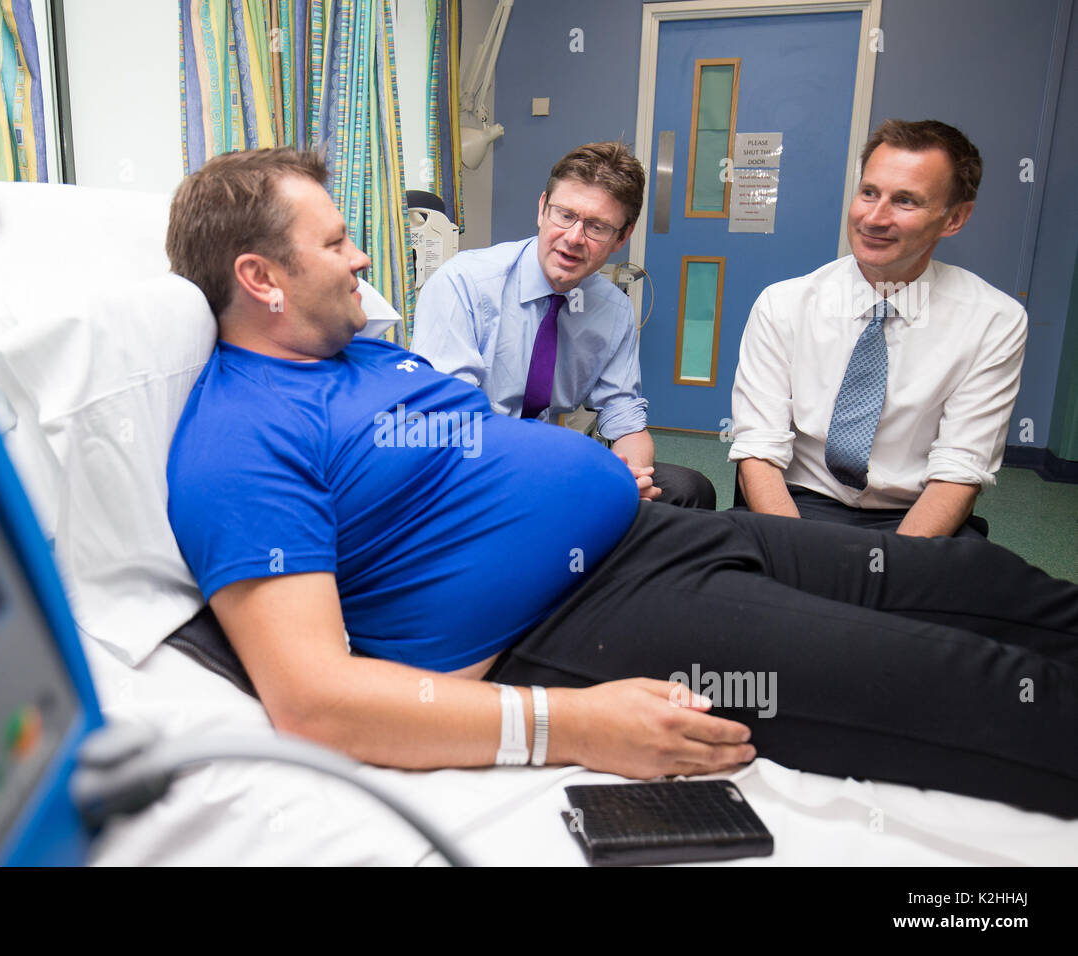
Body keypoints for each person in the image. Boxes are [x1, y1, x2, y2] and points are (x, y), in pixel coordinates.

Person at [164, 147, 1078, 817]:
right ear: (261, 278)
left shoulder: (355, 353)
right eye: (336, 243)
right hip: (569, 623)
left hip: (654, 537)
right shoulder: (237, 437)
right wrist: (572, 726)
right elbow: (314, 702)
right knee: (965, 680)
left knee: (974, 580)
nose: (362, 258)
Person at [729, 119, 1025, 537]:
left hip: (914, 516)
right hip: (798, 503)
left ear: (954, 218)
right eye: (869, 193)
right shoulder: (784, 304)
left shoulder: (994, 321)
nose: (874, 217)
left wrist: (888, 569)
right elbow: (758, 450)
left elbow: (960, 468)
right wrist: (795, 553)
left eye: (905, 201)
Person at [411, 141, 715, 509]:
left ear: (622, 237)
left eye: (597, 226)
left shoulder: (613, 311)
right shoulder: (463, 283)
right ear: (542, 209)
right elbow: (452, 424)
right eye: (565, 215)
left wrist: (631, 479)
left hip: (549, 464)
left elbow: (625, 418)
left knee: (689, 488)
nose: (574, 238)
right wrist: (564, 466)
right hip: (471, 469)